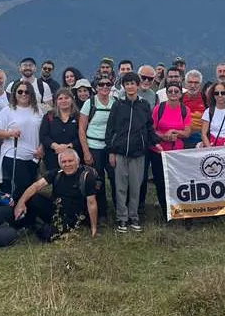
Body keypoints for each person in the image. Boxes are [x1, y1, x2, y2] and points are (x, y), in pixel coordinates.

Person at [105, 72, 158, 233]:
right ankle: (122, 218)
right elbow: (110, 129)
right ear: (124, 86)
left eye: (132, 83)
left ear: (138, 85)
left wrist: (156, 143)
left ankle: (134, 216)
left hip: (138, 153)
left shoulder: (144, 105)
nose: (130, 86)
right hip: (120, 152)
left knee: (135, 187)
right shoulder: (118, 105)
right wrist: (111, 151)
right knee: (121, 187)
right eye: (127, 84)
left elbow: (149, 127)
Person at [14, 148, 100, 241]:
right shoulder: (57, 173)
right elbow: (36, 186)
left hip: (72, 217)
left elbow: (91, 203)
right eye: (64, 162)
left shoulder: (86, 177)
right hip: (56, 210)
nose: (67, 164)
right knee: (31, 197)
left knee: (47, 235)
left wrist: (93, 228)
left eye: (70, 161)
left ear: (77, 161)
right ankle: (28, 224)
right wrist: (20, 203)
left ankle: (41, 227)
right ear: (60, 163)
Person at [0, 79, 44, 199]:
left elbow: (43, 132)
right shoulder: (8, 110)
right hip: (13, 155)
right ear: (14, 94)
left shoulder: (38, 111)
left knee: (31, 189)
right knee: (22, 188)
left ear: (31, 94)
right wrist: (10, 133)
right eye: (20, 91)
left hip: (33, 157)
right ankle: (14, 214)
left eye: (27, 92)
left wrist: (42, 148)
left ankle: (27, 216)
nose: (23, 94)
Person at [150, 82, 191, 219]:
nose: (173, 93)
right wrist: (164, 136)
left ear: (180, 94)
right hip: (159, 151)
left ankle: (177, 209)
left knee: (177, 182)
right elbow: (152, 130)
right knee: (160, 182)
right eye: (170, 91)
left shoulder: (185, 110)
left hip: (176, 153)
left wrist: (174, 132)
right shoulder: (158, 109)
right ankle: (164, 211)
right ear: (166, 93)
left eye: (176, 91)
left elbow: (187, 133)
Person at [79, 76, 116, 220]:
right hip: (93, 146)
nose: (105, 87)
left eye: (108, 84)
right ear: (96, 87)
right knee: (97, 180)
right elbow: (81, 129)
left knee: (114, 179)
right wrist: (86, 151)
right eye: (101, 84)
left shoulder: (115, 103)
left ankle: (118, 209)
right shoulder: (90, 103)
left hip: (110, 147)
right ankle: (101, 212)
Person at [40, 88, 83, 171]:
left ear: (72, 100)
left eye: (66, 98)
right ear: (56, 101)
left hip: (74, 156)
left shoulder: (78, 116)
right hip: (53, 157)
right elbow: (43, 136)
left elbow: (82, 135)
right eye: (60, 98)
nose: (64, 101)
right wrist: (55, 146)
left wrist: (68, 146)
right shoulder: (49, 116)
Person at [182, 70, 206, 149]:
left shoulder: (206, 99)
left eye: (196, 83)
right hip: (182, 138)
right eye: (190, 82)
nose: (193, 85)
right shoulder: (179, 99)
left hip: (200, 139)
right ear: (185, 83)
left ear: (200, 84)